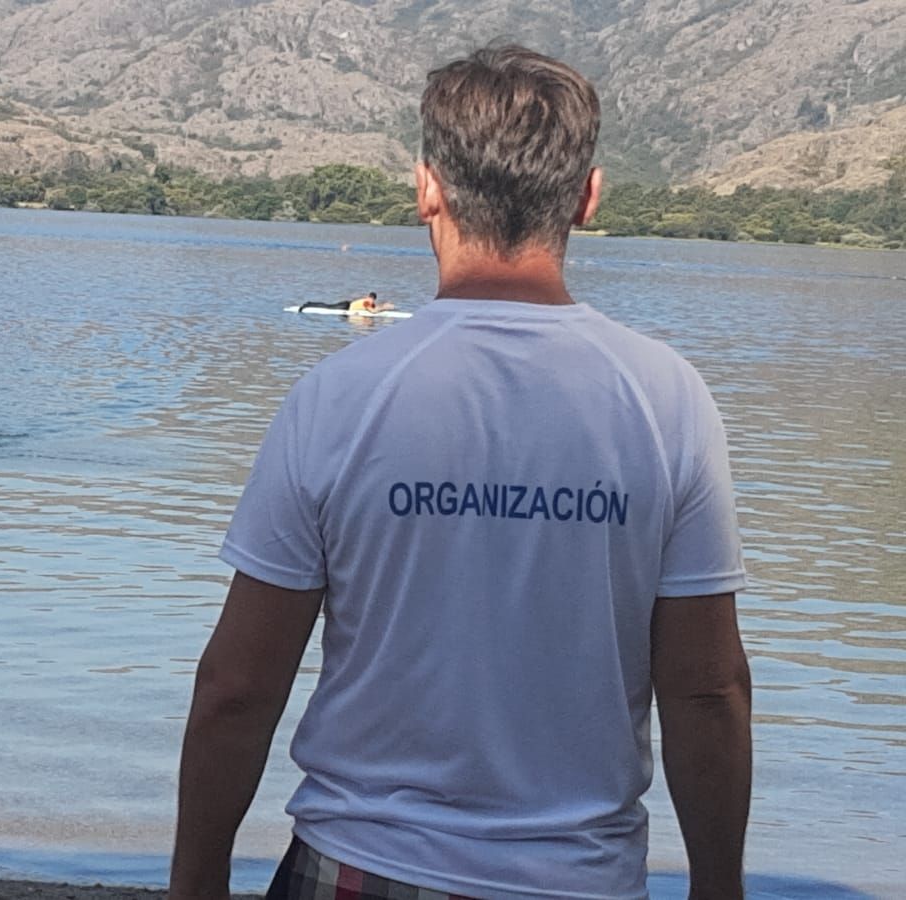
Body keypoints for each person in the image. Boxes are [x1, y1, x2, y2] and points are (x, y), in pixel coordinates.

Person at [170, 45, 750, 900]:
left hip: (359, 871)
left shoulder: (338, 396)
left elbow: (237, 685)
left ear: (427, 189)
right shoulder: (667, 400)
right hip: (579, 880)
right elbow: (707, 691)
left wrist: (195, 884)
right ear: (589, 197)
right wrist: (718, 888)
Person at [296, 291, 394, 314]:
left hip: (346, 304)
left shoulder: (369, 302)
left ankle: (310, 303)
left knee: (327, 305)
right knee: (327, 307)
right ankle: (309, 304)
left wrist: (384, 306)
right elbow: (373, 311)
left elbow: (375, 308)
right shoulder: (367, 302)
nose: (371, 300)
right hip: (344, 307)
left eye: (372, 299)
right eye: (371, 299)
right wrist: (385, 308)